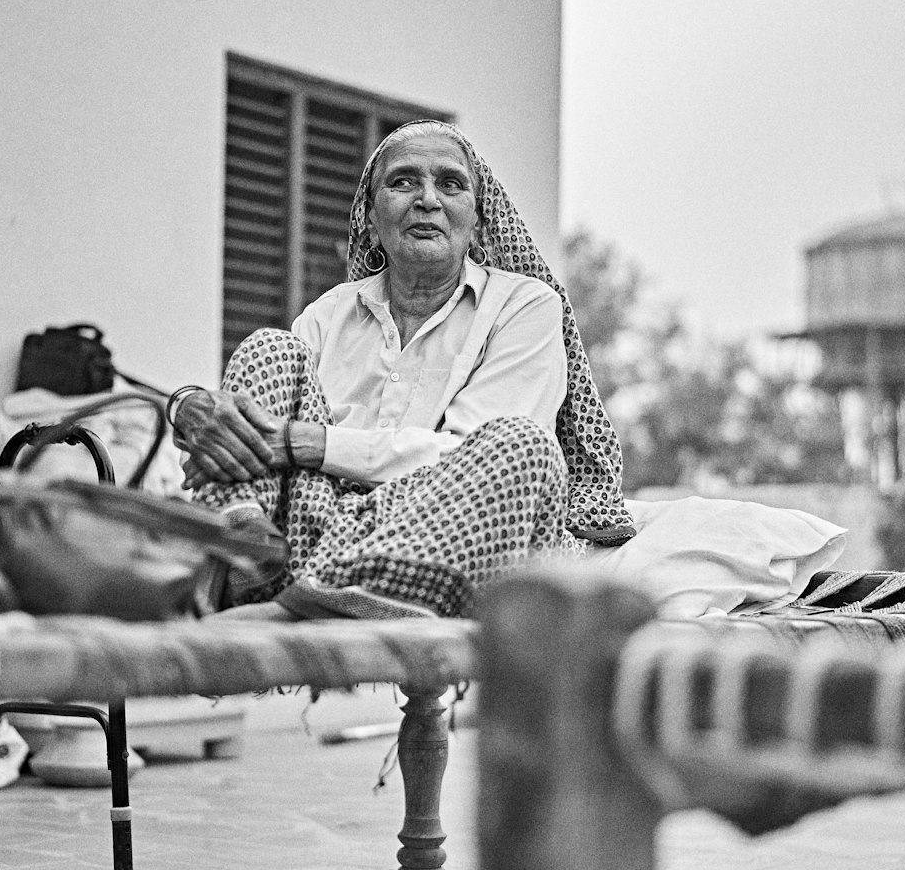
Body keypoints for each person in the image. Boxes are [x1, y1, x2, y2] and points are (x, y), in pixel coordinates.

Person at [167, 121, 634, 619]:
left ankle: (291, 613)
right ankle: (236, 548)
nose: (427, 199)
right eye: (404, 181)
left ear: (477, 220)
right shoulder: (328, 314)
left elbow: (468, 451)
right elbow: (254, 426)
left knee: (526, 447)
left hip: (438, 541)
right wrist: (189, 406)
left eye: (450, 184)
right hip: (304, 541)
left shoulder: (524, 306)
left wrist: (306, 442)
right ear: (370, 220)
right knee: (268, 348)